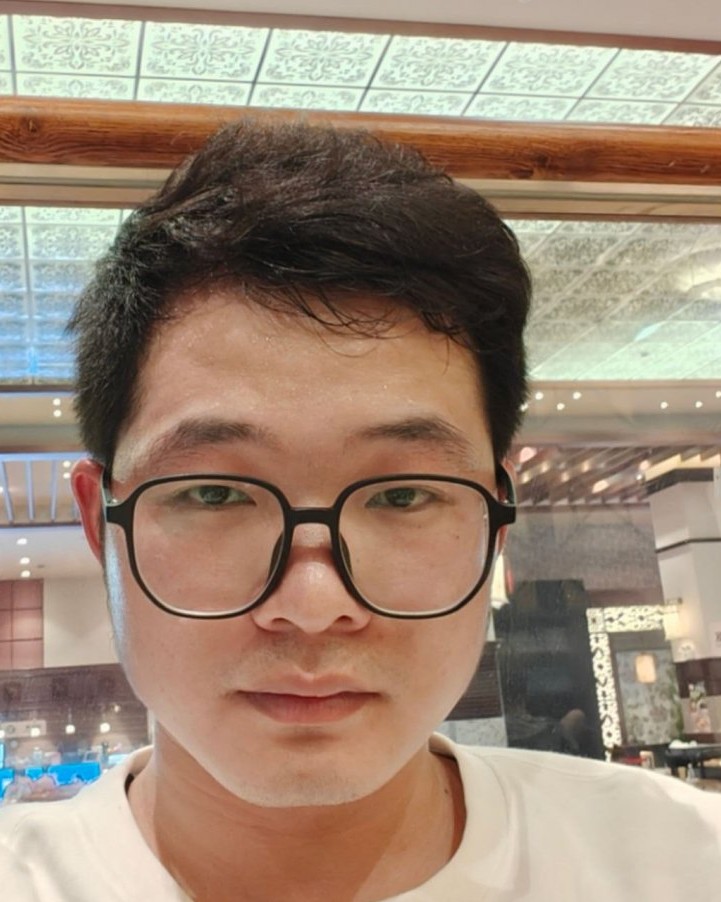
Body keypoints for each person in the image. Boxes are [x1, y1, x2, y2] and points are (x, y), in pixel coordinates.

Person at [0, 118, 719, 901]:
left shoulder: (680, 862)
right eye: (214, 493)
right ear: (99, 524)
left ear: (496, 522)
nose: (313, 607)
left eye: (401, 495)